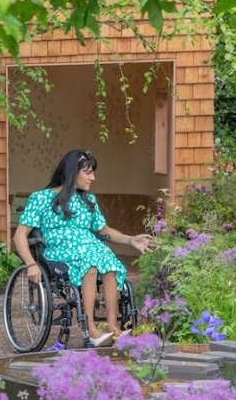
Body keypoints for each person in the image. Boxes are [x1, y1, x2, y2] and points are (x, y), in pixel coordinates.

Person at [12, 149, 154, 347]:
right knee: (91, 264)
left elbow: (103, 230)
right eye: (88, 172)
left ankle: (113, 328)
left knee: (109, 264)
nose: (93, 177)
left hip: (90, 247)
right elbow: (20, 235)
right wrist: (30, 264)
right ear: (72, 172)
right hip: (59, 251)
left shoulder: (89, 200)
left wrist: (131, 240)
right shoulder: (41, 198)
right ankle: (91, 330)